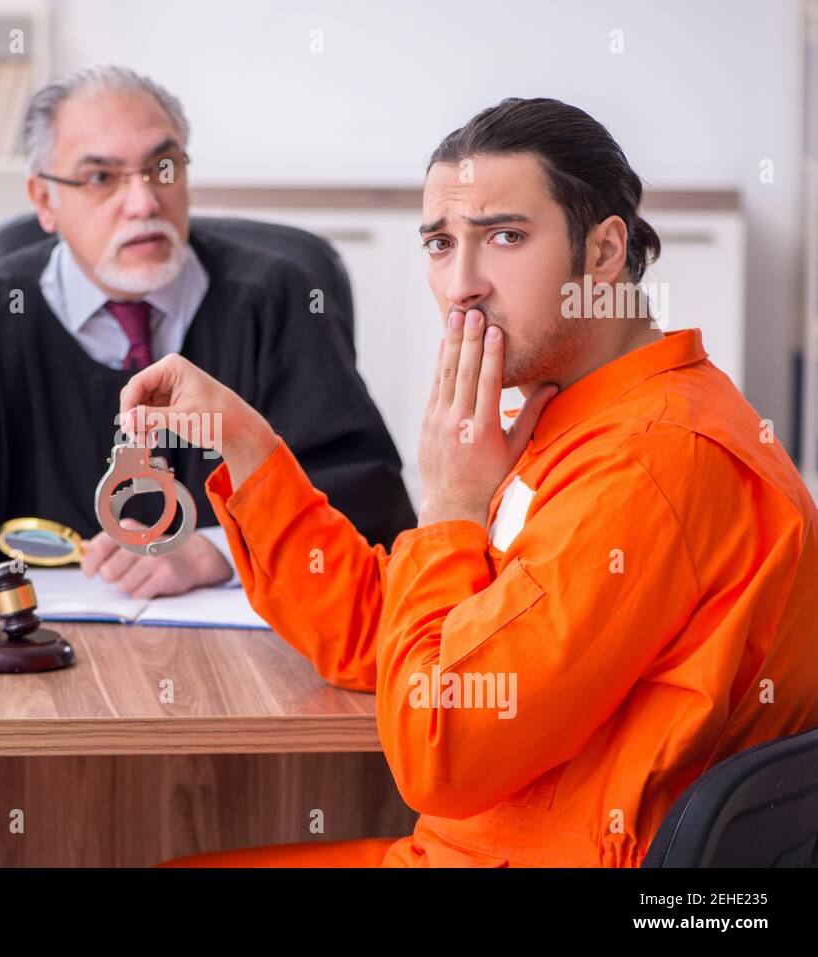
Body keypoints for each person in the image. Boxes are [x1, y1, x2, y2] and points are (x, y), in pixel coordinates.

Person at [119, 98, 818, 866]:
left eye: (506, 237)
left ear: (605, 251)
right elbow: (383, 639)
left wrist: (450, 505)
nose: (461, 286)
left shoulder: (647, 461)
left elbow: (439, 743)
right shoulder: (573, 416)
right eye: (440, 244)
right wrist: (248, 447)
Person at [0, 65, 414, 596]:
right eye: (101, 177)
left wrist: (219, 550)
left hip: (238, 668)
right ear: (44, 201)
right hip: (30, 670)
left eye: (163, 169)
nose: (143, 202)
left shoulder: (276, 297)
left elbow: (364, 504)